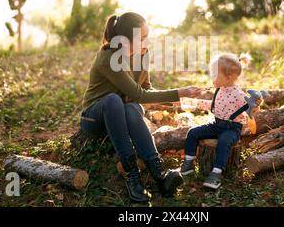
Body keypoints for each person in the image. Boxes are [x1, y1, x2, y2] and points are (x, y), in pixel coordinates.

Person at [81, 12, 202, 202]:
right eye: (142, 38)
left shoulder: (141, 55)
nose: (147, 42)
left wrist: (175, 101)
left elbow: (146, 88)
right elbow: (139, 95)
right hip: (95, 118)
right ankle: (132, 175)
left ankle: (159, 173)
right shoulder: (110, 58)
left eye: (148, 36)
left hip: (124, 114)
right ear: (125, 41)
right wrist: (180, 92)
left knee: (130, 108)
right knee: (114, 100)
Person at [179, 52, 258, 189]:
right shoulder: (220, 90)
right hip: (217, 125)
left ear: (228, 77)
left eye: (214, 75)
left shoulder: (239, 94)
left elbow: (249, 108)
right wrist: (195, 103)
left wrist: (254, 106)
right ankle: (188, 162)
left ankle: (216, 173)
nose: (211, 78)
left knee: (224, 142)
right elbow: (214, 105)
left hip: (232, 128)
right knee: (193, 133)